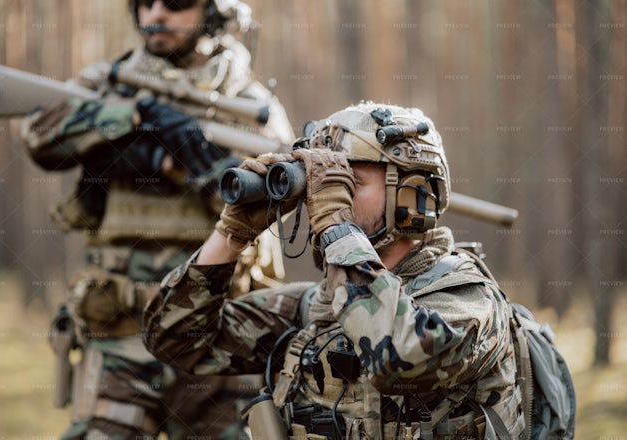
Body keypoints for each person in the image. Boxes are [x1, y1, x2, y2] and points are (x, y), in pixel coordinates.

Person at [143, 102, 526, 439]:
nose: (322, 198)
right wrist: (231, 234)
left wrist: (337, 229)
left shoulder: (468, 299)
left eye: (349, 183)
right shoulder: (320, 307)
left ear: (411, 194)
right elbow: (174, 338)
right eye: (322, 184)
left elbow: (399, 359)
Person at [20, 0, 293, 438]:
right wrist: (134, 118)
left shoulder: (250, 101)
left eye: (176, 2)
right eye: (145, 3)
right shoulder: (111, 81)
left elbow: (281, 189)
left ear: (213, 12)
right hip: (118, 334)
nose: (156, 15)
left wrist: (185, 167)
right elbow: (38, 132)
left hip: (217, 340)